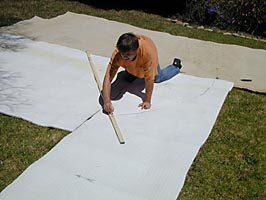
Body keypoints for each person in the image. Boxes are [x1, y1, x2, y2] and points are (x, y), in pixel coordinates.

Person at [102, 32, 182, 113]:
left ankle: (175, 67)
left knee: (157, 78)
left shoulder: (147, 54)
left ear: (136, 50)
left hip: (149, 51)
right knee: (127, 77)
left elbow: (149, 80)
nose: (124, 56)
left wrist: (147, 100)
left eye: (128, 54)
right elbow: (108, 77)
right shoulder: (118, 54)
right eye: (122, 54)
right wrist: (106, 102)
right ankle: (134, 72)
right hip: (135, 62)